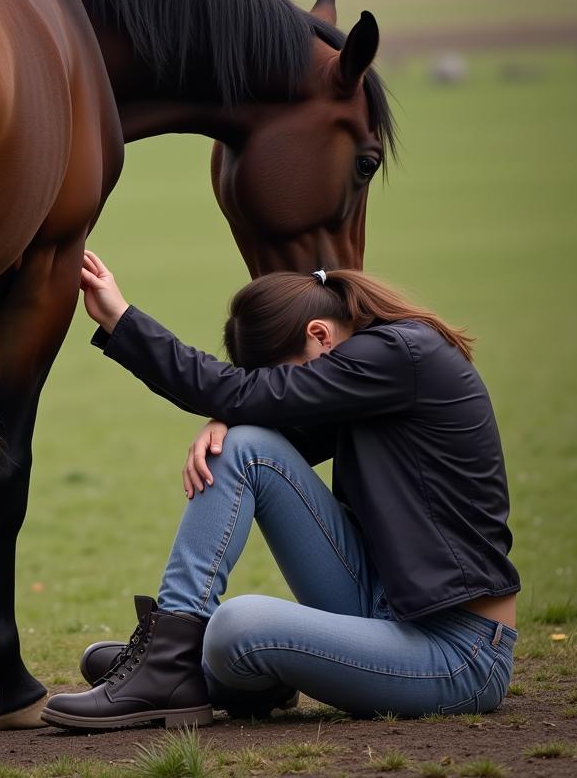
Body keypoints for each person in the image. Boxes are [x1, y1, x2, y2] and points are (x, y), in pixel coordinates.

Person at [41, 252, 519, 730]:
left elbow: (246, 394)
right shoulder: (373, 370)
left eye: (292, 378)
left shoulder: (398, 354)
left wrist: (120, 318)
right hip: (380, 603)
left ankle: (200, 669)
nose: (295, 391)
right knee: (243, 445)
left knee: (237, 626)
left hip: (462, 650)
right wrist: (230, 419)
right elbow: (263, 425)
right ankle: (172, 659)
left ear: (319, 335)